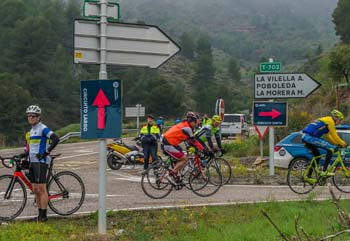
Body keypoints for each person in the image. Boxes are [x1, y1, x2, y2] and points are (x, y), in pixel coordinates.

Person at [19, 105, 60, 222]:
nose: (30, 117)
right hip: (33, 162)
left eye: (33, 116)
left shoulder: (43, 128)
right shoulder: (31, 130)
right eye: (29, 116)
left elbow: (56, 138)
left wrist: (46, 152)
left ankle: (44, 216)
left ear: (38, 117)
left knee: (41, 189)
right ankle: (39, 215)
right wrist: (23, 155)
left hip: (41, 162)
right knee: (35, 189)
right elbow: (32, 147)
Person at [161, 112, 206, 185]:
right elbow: (193, 141)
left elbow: (189, 140)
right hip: (168, 144)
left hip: (171, 143)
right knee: (184, 159)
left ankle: (178, 178)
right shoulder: (187, 128)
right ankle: (169, 175)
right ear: (191, 122)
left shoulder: (185, 125)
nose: (196, 124)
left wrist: (195, 147)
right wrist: (203, 149)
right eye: (195, 123)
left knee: (183, 154)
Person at [302, 109, 347, 177]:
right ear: (336, 118)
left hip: (305, 137)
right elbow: (334, 135)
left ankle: (308, 176)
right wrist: (342, 143)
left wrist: (337, 144)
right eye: (340, 120)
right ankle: (324, 171)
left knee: (317, 156)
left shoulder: (327, 120)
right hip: (310, 137)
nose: (340, 122)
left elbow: (328, 136)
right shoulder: (330, 121)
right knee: (330, 149)